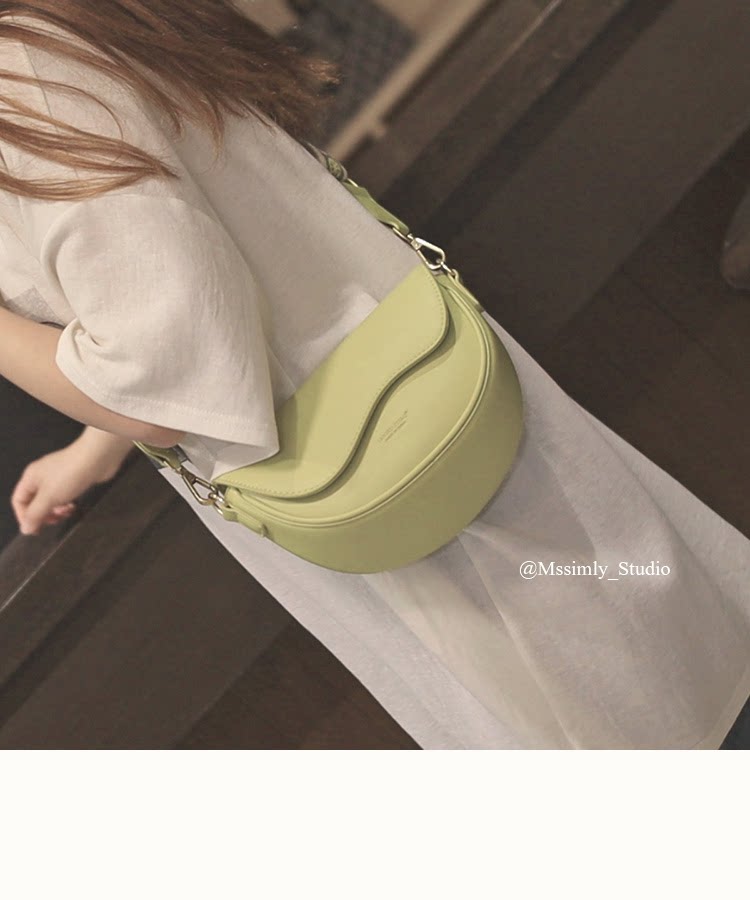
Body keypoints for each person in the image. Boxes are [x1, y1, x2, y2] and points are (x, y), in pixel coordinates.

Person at [1, 2, 749, 750]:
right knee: (656, 668)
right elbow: (199, 267)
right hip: (414, 418)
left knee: (632, 707)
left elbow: (165, 371)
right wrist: (102, 439)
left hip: (390, 481)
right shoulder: (43, 40)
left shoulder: (21, 80)